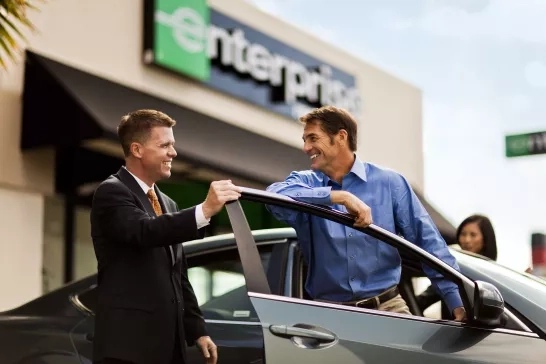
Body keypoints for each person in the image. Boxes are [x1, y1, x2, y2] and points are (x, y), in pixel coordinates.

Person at [266, 105, 466, 321]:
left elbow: (429, 244)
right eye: (305, 139)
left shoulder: (390, 183)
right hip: (328, 317)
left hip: (388, 311)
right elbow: (274, 196)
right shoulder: (304, 182)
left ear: (341, 137)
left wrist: (458, 302)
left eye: (313, 138)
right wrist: (340, 197)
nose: (306, 147)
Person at [90, 109, 241, 364]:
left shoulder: (168, 203)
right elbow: (144, 231)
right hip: (128, 349)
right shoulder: (111, 192)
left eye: (173, 145)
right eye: (165, 145)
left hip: (168, 348)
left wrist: (197, 330)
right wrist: (204, 210)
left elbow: (177, 275)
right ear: (137, 149)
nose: (173, 153)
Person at [417, 214, 497, 315]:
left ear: (485, 239)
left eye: (473, 235)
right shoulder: (453, 270)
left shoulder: (493, 276)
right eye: (463, 234)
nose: (466, 240)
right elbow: (424, 299)